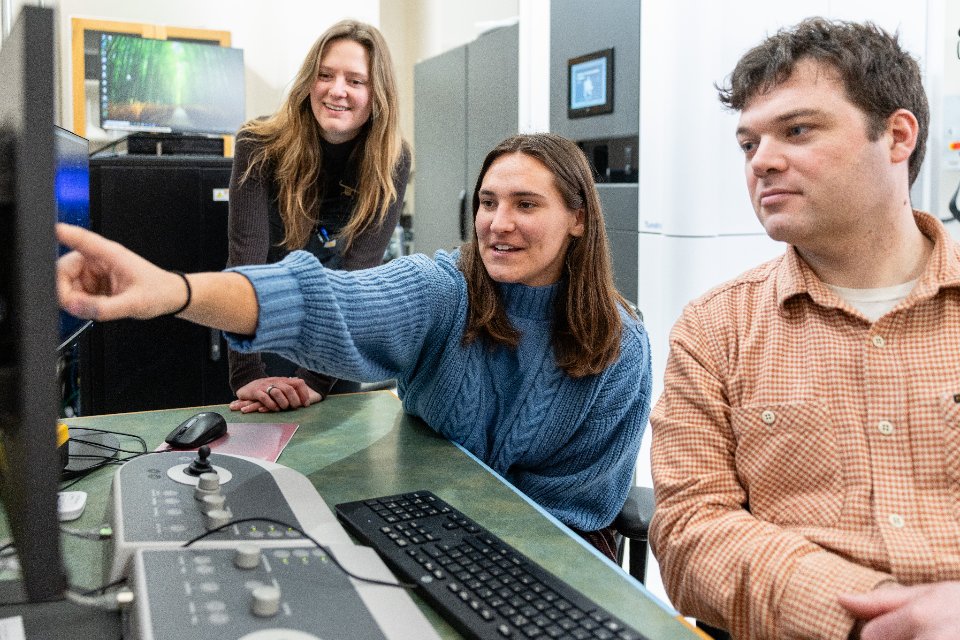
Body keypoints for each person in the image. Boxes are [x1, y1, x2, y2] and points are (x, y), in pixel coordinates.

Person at [57, 133, 652, 560]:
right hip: (428, 523)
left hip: (549, 552)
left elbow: (582, 511)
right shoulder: (445, 291)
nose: (498, 223)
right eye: (488, 202)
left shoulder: (621, 347)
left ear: (578, 218)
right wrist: (173, 291)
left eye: (526, 204)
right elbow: (320, 299)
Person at [648, 17, 960, 640]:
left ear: (897, 136)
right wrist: (884, 615)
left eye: (797, 130)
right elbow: (689, 532)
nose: (762, 162)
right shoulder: (715, 329)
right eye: (748, 144)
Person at [228, 19, 410, 413]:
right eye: (324, 75)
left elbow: (358, 277)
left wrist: (314, 383)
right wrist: (246, 375)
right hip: (263, 327)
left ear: (377, 94)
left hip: (339, 339)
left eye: (355, 80)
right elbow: (245, 263)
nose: (336, 90)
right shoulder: (258, 144)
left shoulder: (391, 160)